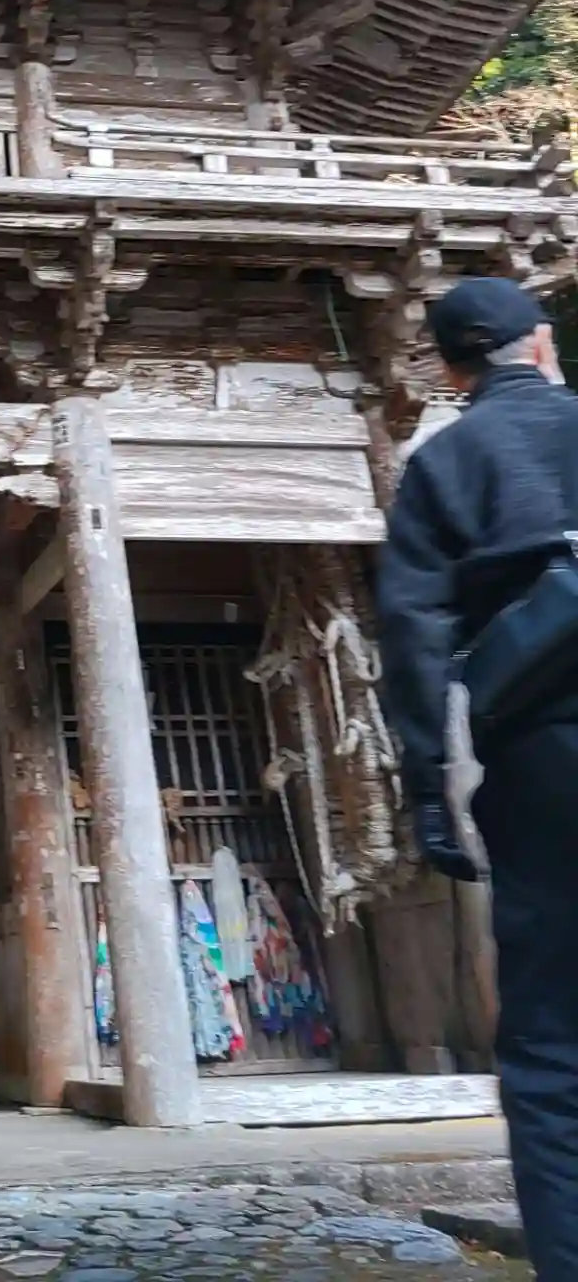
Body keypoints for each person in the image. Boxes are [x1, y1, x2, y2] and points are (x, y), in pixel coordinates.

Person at [378, 276, 578, 1280]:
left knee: (550, 1040)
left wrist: (430, 790)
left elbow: (416, 635)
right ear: (541, 345)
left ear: (453, 374)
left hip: (543, 751)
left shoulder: (443, 463)